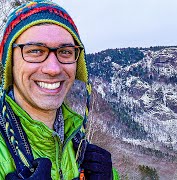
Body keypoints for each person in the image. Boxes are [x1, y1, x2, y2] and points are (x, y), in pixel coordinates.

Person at [0, 1, 118, 179]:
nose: (53, 69)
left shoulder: (77, 142)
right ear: (10, 63)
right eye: (35, 51)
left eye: (65, 52)